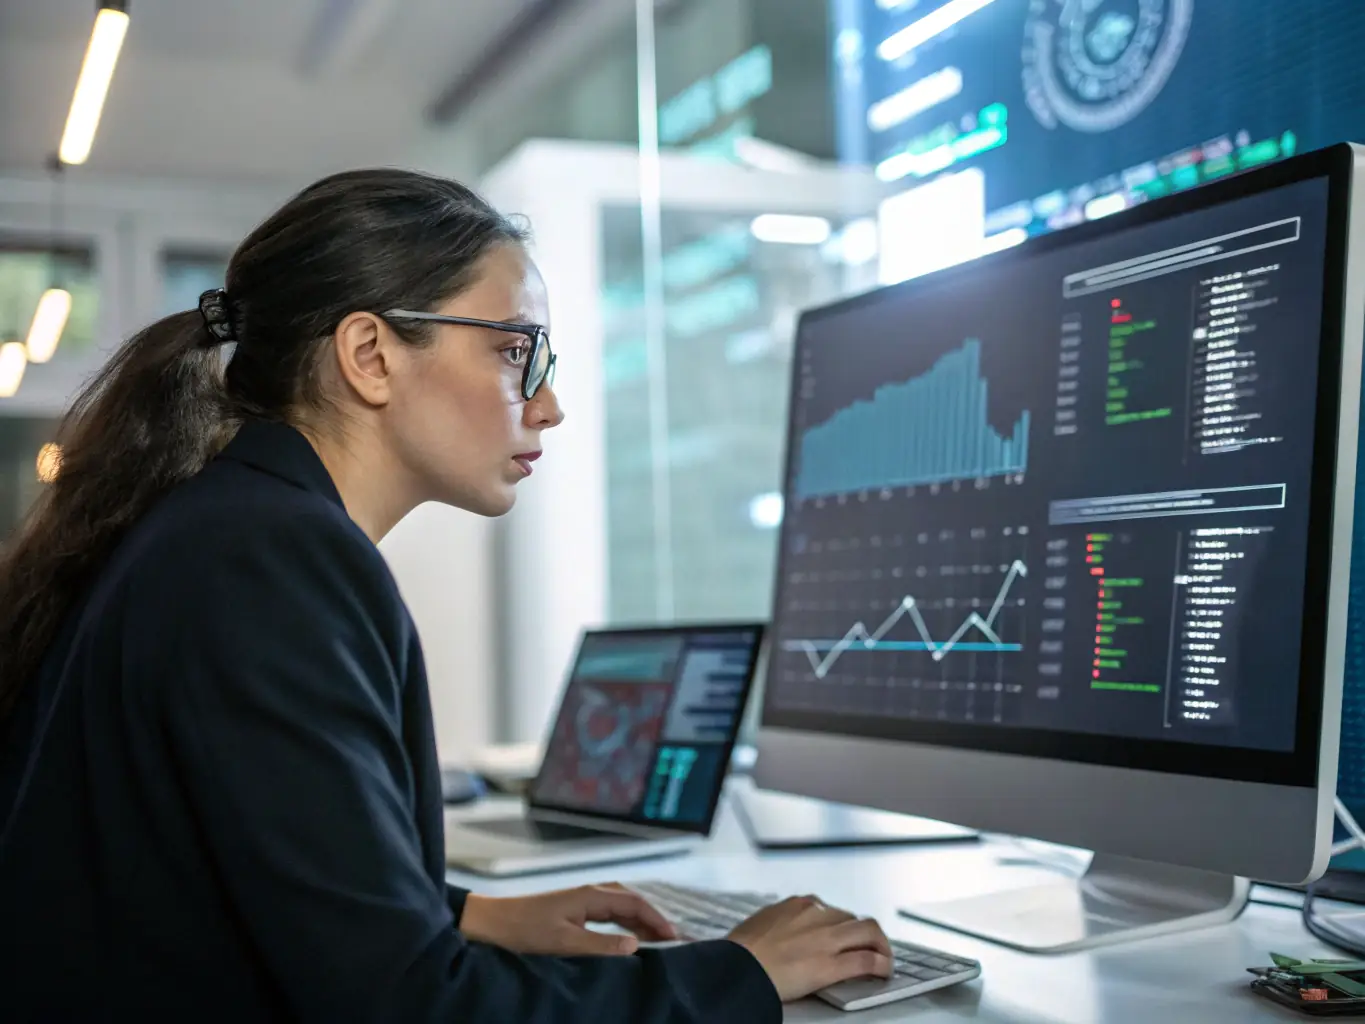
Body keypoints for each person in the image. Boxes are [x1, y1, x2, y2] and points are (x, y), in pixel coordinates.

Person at [0, 169, 892, 1021]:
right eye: (514, 352)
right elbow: (414, 1009)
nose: (547, 406)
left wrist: (458, 910)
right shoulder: (272, 557)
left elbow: (226, 863)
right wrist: (737, 973)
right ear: (369, 355)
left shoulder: (222, 525)